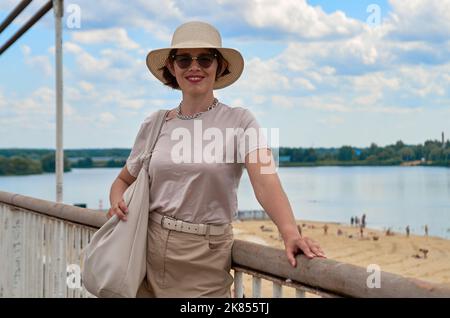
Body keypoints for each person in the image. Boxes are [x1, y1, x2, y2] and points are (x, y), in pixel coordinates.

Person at [106, 21, 325, 298]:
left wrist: (290, 233)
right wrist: (117, 201)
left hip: (204, 256)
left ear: (219, 66)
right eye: (183, 59)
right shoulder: (155, 123)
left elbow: (266, 182)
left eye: (205, 59)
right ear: (172, 68)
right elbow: (124, 179)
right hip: (144, 252)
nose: (194, 67)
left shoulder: (241, 121)